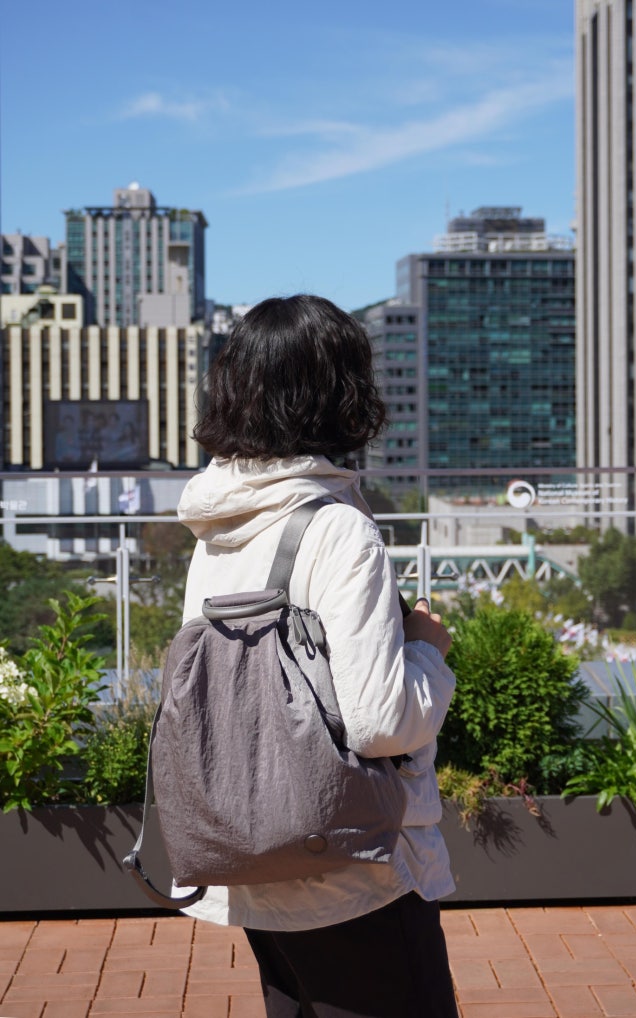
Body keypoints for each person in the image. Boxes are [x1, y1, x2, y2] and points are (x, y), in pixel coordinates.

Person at [176, 294, 458, 1018]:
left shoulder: (218, 527)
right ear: (339, 391)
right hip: (350, 862)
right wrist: (427, 650)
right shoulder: (336, 528)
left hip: (251, 850)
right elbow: (379, 723)